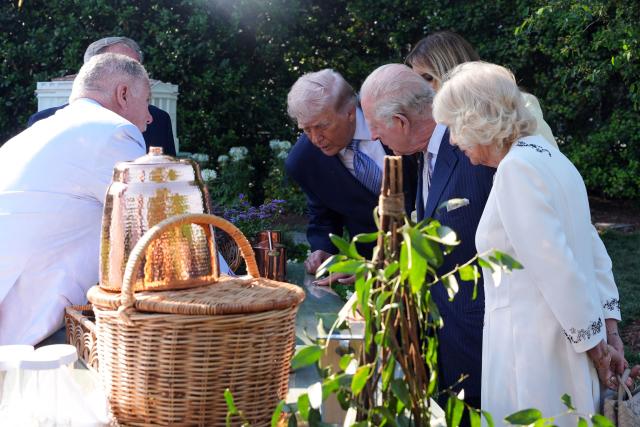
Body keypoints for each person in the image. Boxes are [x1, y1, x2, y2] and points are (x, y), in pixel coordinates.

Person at [432, 61, 634, 425]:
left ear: (476, 120)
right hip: (561, 345)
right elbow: (593, 253)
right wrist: (608, 331)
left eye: (452, 126)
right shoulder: (555, 159)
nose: (452, 141)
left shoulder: (516, 169)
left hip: (531, 355)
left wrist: (597, 348)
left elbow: (557, 266)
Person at [360, 63, 495, 413]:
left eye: (377, 128)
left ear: (402, 122)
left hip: (479, 336)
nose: (374, 138)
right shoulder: (419, 156)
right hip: (443, 334)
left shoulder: (472, 148)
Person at [0, 53, 151, 345]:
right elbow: (160, 224)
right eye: (146, 101)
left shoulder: (25, 138)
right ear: (123, 94)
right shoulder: (112, 131)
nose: (149, 116)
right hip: (28, 334)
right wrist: (228, 286)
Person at [285, 69, 417, 283]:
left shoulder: (395, 118)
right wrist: (323, 252)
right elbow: (323, 217)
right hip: (371, 274)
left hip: (436, 253)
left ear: (350, 111)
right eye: (306, 130)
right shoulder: (303, 161)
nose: (315, 138)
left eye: (322, 126)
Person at [405, 30, 557, 148]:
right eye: (417, 81)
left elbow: (546, 162)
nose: (422, 88)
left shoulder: (516, 104)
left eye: (428, 77)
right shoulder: (436, 123)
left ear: (451, 71)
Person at [28, 36, 176, 156]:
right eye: (120, 66)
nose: (133, 74)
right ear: (92, 71)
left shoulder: (157, 119)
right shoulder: (44, 122)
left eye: (135, 67)